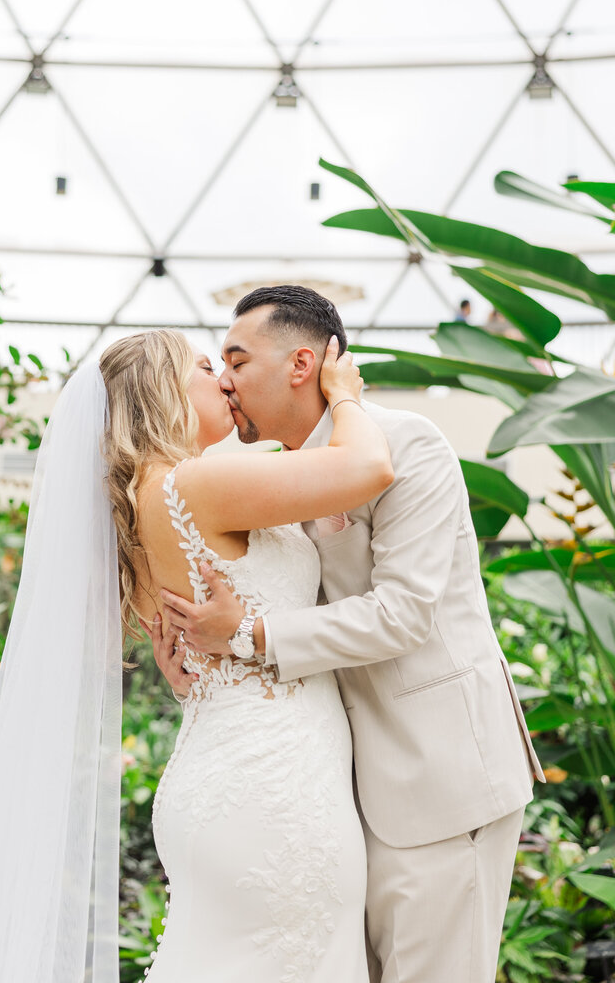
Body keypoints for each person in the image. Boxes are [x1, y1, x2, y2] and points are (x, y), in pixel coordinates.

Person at [0, 327, 394, 983]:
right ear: (163, 391)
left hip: (221, 773)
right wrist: (345, 396)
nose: (224, 379)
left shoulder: (137, 508)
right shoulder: (196, 484)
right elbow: (369, 469)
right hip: (275, 785)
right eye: (203, 367)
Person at [154, 285, 545, 983]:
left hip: (439, 778)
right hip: (330, 793)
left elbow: (402, 614)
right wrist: (194, 653)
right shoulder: (275, 474)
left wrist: (247, 635)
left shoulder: (406, 445)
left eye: (237, 361)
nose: (225, 381)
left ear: (301, 364)